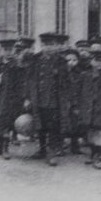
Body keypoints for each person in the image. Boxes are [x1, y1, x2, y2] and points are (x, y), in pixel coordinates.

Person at [26, 31, 69, 165]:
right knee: (40, 126)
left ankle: (52, 153)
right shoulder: (35, 59)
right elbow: (29, 79)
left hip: (55, 100)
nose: (48, 47)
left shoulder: (61, 61)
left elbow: (67, 82)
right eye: (45, 44)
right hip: (38, 98)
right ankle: (42, 149)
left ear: (56, 46)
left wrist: (66, 100)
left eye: (51, 45)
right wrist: (27, 98)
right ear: (41, 45)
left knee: (53, 127)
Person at [0, 38, 31, 158]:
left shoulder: (18, 65)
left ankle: (6, 148)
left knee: (7, 122)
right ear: (1, 50)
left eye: (10, 50)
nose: (8, 52)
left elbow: (23, 82)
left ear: (14, 50)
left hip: (12, 98)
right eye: (5, 50)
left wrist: (24, 97)